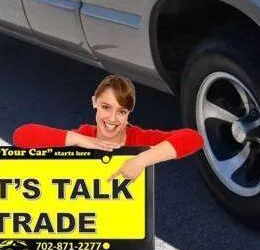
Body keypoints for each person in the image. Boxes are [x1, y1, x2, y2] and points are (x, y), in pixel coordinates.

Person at [13, 74, 203, 180]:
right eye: (106, 107)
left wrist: (141, 160)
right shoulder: (83, 136)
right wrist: (78, 139)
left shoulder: (138, 138)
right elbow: (22, 136)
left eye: (121, 111)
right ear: (94, 103)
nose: (112, 118)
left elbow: (193, 138)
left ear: (129, 113)